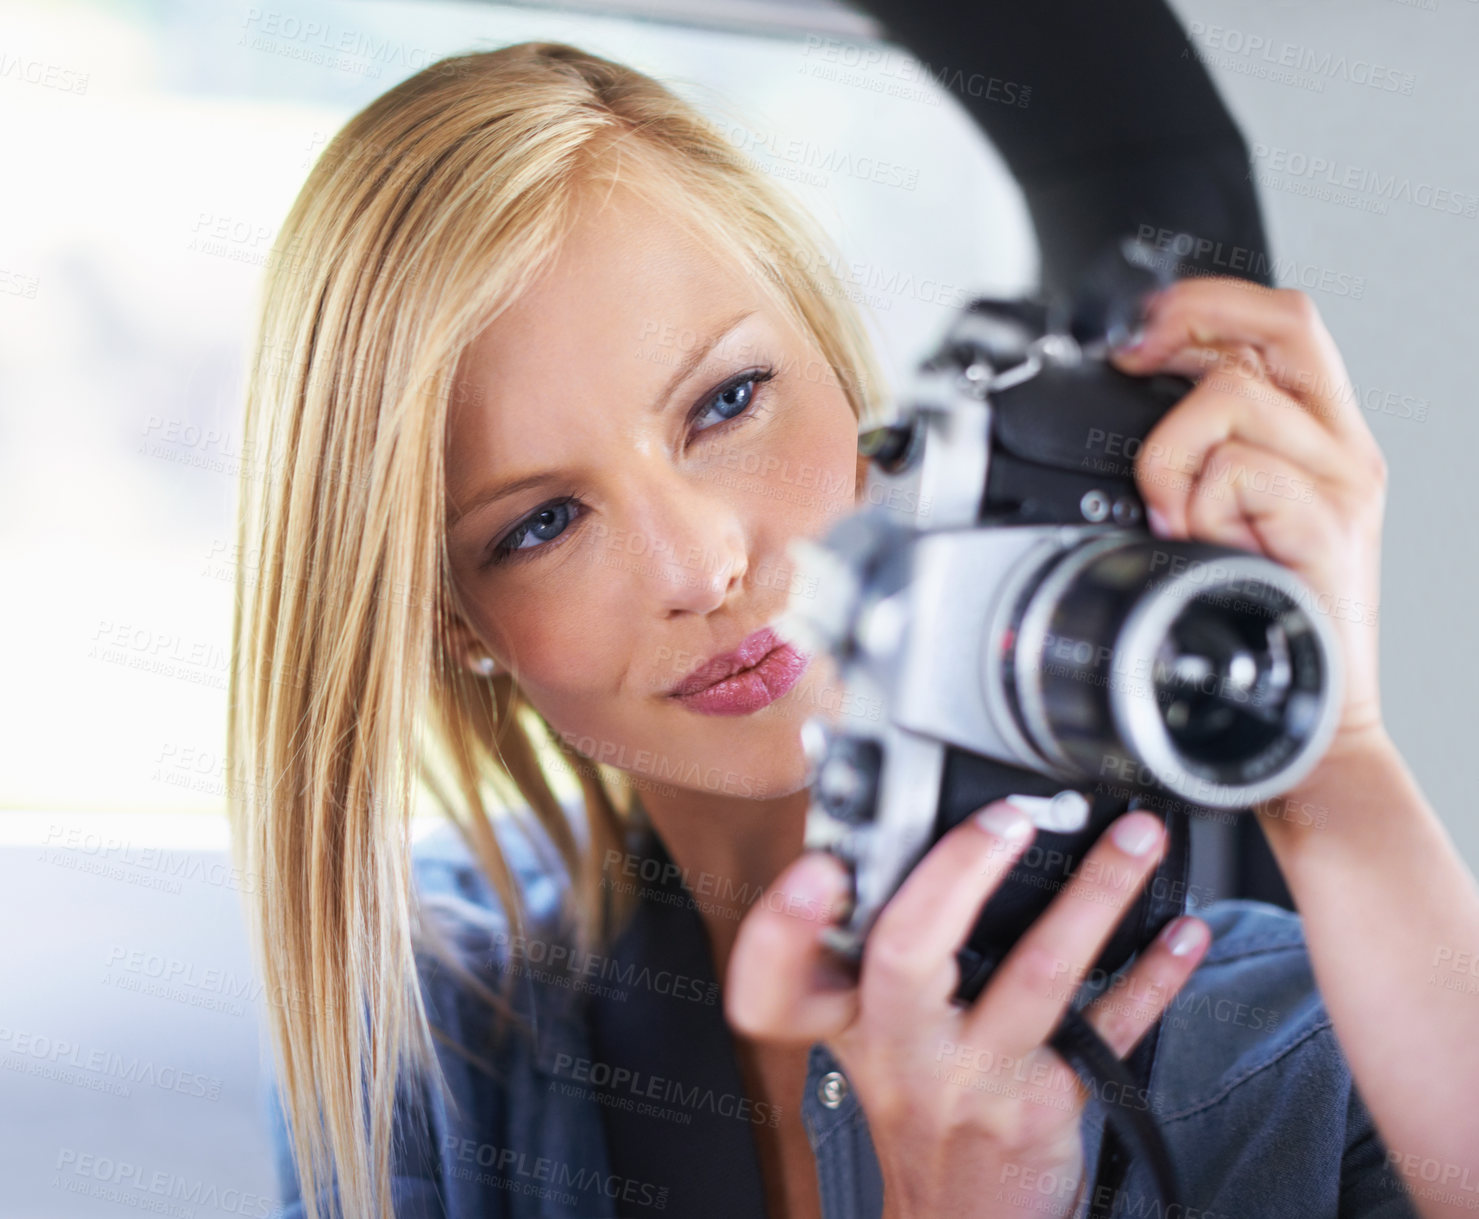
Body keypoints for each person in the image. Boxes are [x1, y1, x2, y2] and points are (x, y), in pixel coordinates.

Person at [227, 40, 1479, 1219]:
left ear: (841, 374)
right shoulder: (427, 1025)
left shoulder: (1283, 1048)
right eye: (543, 521)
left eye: (728, 401)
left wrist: (1336, 757)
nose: (701, 563)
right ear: (455, 622)